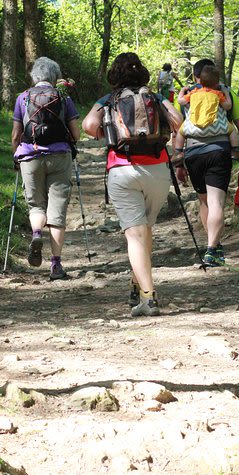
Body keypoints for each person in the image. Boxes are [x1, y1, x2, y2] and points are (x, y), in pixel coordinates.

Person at [82, 52, 182, 317]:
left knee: (135, 234)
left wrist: (106, 130)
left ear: (115, 75)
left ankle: (148, 298)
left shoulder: (109, 99)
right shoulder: (155, 96)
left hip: (123, 169)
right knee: (146, 229)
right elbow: (178, 121)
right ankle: (137, 285)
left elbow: (88, 125)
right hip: (158, 169)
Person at [173, 58, 239, 267]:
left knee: (204, 201)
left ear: (196, 77)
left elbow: (178, 130)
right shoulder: (224, 92)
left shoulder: (189, 95)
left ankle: (213, 244)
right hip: (219, 151)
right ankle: (212, 249)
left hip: (192, 153)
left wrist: (179, 162)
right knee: (217, 202)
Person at [11, 57, 80, 280]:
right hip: (59, 156)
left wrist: (16, 155)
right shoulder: (63, 97)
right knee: (57, 211)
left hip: (30, 157)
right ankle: (56, 265)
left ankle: (37, 233)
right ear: (55, 77)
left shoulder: (22, 98)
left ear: (34, 76)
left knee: (36, 205)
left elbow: (15, 134)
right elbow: (76, 134)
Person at [172, 64, 232, 156]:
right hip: (216, 128)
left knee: (181, 132)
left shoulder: (193, 92)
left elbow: (181, 101)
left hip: (194, 129)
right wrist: (226, 93)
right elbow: (227, 106)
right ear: (217, 83)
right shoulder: (218, 94)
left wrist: (182, 91)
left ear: (200, 81)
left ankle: (178, 152)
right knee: (232, 130)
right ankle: (236, 150)